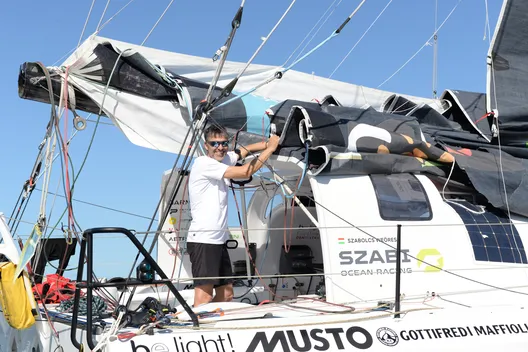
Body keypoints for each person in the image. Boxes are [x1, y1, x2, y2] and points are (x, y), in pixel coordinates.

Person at [186, 124, 279, 307]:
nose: (220, 147)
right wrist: (271, 148)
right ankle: (201, 328)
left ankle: (214, 322)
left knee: (227, 294)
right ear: (206, 145)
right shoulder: (203, 164)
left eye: (223, 143)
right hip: (204, 240)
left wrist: (266, 142)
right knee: (204, 297)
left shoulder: (224, 158)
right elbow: (246, 172)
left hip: (218, 240)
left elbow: (242, 152)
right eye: (215, 143)